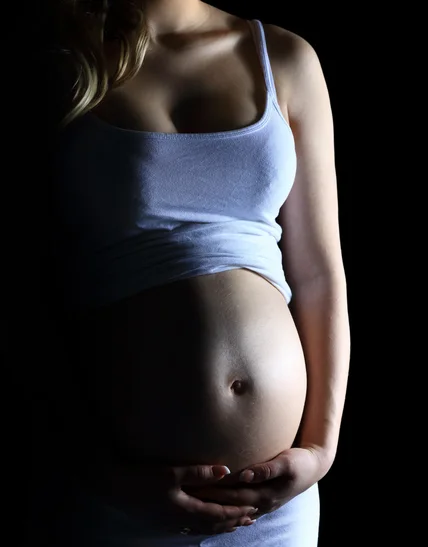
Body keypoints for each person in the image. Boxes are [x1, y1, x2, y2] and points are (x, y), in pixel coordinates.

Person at [41, 0, 350, 546]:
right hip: (122, 497)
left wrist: (321, 451)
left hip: (276, 504)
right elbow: (22, 290)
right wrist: (99, 472)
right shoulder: (63, 62)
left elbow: (322, 277)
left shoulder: (283, 57)